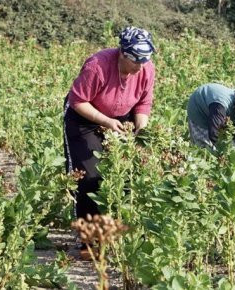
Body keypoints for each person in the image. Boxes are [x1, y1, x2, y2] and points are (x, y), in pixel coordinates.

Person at [63, 26, 155, 223]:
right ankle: (88, 236)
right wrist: (106, 121)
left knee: (127, 173)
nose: (140, 66)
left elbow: (143, 103)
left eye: (144, 60)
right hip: (84, 116)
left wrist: (139, 129)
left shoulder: (146, 68)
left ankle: (114, 228)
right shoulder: (98, 66)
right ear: (122, 53)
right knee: (90, 176)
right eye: (136, 60)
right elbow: (77, 101)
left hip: (121, 117)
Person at [187, 83, 235, 148]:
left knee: (233, 142)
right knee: (205, 147)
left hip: (215, 108)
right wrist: (223, 151)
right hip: (198, 108)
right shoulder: (220, 107)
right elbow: (214, 132)